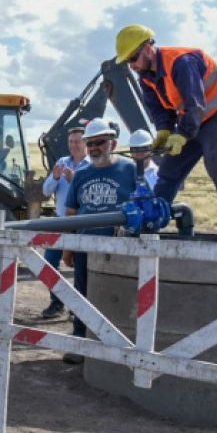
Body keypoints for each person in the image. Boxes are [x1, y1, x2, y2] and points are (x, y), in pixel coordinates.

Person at [115, 24, 217, 243]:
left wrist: (182, 134)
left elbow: (194, 104)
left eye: (133, 58)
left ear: (148, 47)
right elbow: (159, 110)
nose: (132, 66)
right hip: (191, 120)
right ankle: (150, 222)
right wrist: (165, 131)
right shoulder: (146, 77)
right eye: (128, 61)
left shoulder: (181, 62)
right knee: (169, 171)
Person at [63, 119, 137, 364]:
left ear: (113, 143)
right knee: (83, 295)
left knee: (118, 295)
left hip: (119, 248)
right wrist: (68, 246)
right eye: (90, 143)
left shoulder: (129, 169)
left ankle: (117, 348)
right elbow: (72, 212)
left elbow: (141, 204)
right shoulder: (82, 173)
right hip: (86, 246)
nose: (94, 148)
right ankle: (80, 342)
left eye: (100, 142)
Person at [39, 126, 89, 319]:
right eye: (71, 142)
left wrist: (74, 179)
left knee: (80, 266)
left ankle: (77, 308)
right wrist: (56, 177)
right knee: (49, 262)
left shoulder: (90, 165)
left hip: (81, 222)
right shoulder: (61, 162)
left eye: (78, 141)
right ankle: (57, 301)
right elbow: (45, 191)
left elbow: (89, 193)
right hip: (60, 221)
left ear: (85, 143)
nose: (74, 145)